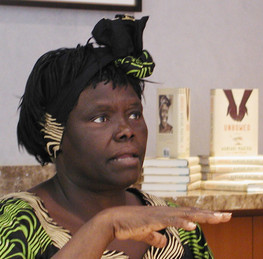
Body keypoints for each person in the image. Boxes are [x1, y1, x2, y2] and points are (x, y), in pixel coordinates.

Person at [0, 15, 231, 259]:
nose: (126, 130)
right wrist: (104, 226)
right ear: (53, 133)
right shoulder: (16, 223)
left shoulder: (176, 224)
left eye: (134, 114)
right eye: (100, 118)